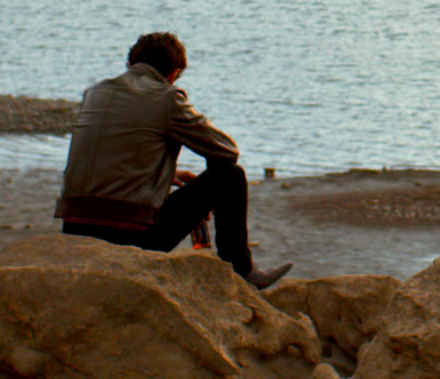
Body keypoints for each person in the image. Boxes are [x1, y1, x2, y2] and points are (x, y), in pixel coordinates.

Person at [53, 32, 287, 287]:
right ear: (173, 74)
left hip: (74, 229)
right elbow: (226, 150)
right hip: (130, 236)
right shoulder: (166, 98)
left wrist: (168, 175)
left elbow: (111, 152)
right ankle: (243, 272)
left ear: (130, 65)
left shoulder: (93, 93)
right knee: (230, 177)